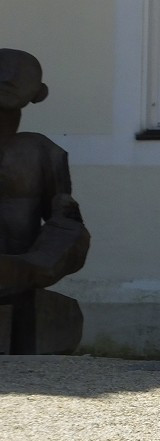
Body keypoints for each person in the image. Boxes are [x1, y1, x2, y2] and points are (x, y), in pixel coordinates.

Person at [0, 48, 90, 296]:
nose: (7, 79)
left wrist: (37, 264)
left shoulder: (42, 151)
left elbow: (64, 222)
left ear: (38, 94)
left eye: (19, 74)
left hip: (24, 274)